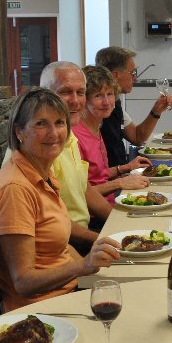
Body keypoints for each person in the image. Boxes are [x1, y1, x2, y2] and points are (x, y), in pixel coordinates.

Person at [0, 89, 120, 311]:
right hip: (42, 311)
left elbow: (59, 231)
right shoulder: (14, 189)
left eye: (59, 123)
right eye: (41, 124)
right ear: (19, 132)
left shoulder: (41, 170)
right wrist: (83, 265)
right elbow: (24, 282)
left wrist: (101, 245)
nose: (53, 133)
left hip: (69, 291)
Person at [39, 62, 114, 238]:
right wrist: (97, 239)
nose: (75, 101)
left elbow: (85, 189)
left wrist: (119, 223)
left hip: (83, 234)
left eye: (80, 93)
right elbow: (51, 220)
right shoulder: (40, 144)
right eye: (65, 92)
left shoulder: (69, 133)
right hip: (66, 242)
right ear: (44, 94)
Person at [76, 66, 152, 202]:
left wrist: (124, 168)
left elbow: (97, 175)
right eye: (98, 96)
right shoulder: (75, 136)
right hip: (98, 212)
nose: (106, 102)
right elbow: (81, 194)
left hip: (109, 202)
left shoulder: (96, 126)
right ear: (84, 99)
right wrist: (119, 183)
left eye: (110, 94)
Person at [95, 46, 172, 167]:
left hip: (121, 172)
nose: (135, 78)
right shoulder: (97, 109)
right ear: (115, 75)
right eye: (132, 73)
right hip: (112, 176)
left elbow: (137, 137)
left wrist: (156, 111)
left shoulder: (115, 103)